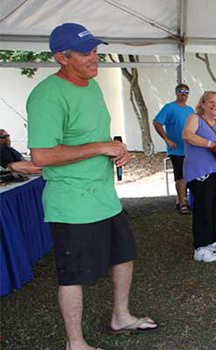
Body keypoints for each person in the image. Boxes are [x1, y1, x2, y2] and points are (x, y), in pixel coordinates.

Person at [26, 23, 157, 350]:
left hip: (104, 198)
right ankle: (76, 343)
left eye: (95, 51)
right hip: (71, 203)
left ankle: (121, 316)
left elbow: (93, 138)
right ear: (61, 57)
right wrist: (100, 148)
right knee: (72, 274)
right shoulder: (47, 95)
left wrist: (117, 148)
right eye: (85, 53)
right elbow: (42, 155)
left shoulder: (91, 86)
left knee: (124, 255)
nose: (94, 58)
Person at [182, 91, 216, 263]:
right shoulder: (195, 118)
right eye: (210, 101)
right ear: (203, 103)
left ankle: (214, 240)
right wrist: (210, 143)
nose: (214, 105)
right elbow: (187, 135)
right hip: (200, 171)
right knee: (203, 207)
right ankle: (200, 247)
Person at [153, 84, 195, 214]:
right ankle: (182, 203)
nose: (184, 94)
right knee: (180, 176)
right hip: (176, 149)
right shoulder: (169, 107)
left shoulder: (190, 110)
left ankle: (179, 200)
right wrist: (167, 139)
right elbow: (157, 122)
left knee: (188, 176)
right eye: (181, 91)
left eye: (186, 92)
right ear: (176, 93)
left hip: (189, 149)